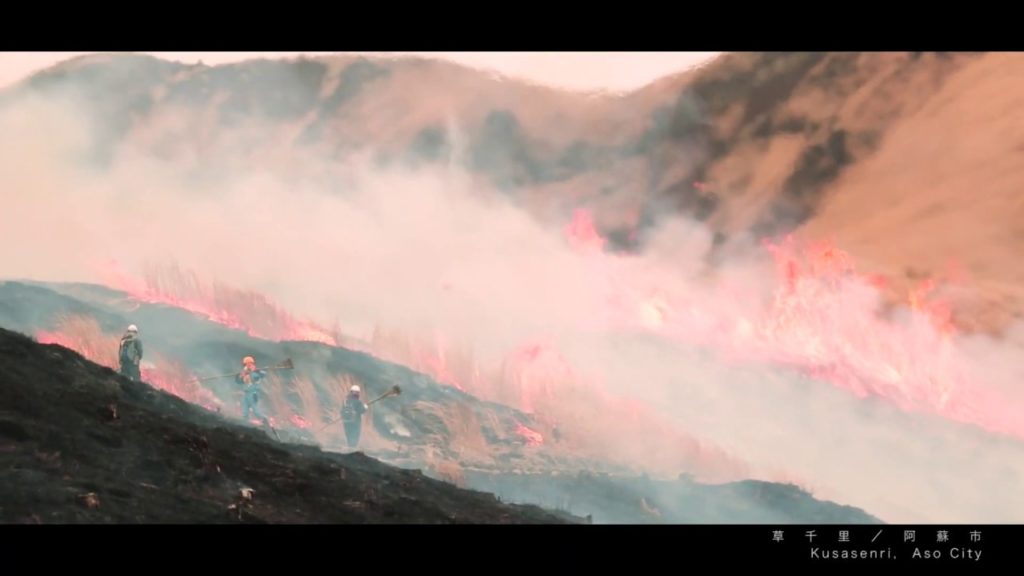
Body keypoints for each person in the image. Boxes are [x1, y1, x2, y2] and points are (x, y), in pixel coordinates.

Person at [235, 356, 273, 430]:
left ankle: (265, 421)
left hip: (253, 394)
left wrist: (255, 371)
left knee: (256, 411)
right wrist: (238, 376)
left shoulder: (256, 373)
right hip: (246, 394)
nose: (247, 366)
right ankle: (245, 424)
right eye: (246, 364)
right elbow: (239, 381)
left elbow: (263, 375)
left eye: (249, 364)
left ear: (252, 364)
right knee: (244, 411)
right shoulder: (245, 373)